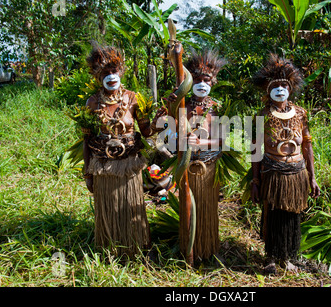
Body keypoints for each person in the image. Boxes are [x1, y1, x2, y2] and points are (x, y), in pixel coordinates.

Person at [82, 43, 167, 258]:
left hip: (129, 165)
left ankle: (136, 248)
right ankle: (109, 250)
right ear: (97, 76)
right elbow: (87, 139)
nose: (111, 76)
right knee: (108, 209)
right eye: (105, 73)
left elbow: (146, 132)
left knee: (131, 207)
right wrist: (87, 173)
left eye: (114, 71)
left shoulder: (133, 98)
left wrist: (158, 122)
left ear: (121, 72)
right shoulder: (92, 103)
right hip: (103, 167)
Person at [251, 53, 320, 274]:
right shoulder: (262, 115)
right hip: (273, 171)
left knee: (292, 216)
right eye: (275, 85)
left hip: (297, 172)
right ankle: (271, 257)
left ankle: (288, 257)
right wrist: (255, 179)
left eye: (284, 85)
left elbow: (307, 145)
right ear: (267, 90)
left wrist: (312, 176)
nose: (280, 89)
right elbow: (255, 149)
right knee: (272, 214)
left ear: (290, 88)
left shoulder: (300, 114)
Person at [166, 48, 227, 262]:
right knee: (188, 208)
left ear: (213, 83)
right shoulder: (183, 105)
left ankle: (208, 249)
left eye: (206, 80)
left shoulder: (217, 109)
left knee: (207, 209)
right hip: (187, 168)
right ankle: (188, 250)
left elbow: (224, 141)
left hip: (208, 168)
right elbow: (165, 129)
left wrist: (203, 142)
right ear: (190, 83)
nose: (202, 84)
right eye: (197, 80)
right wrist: (170, 103)